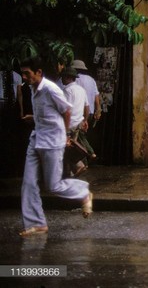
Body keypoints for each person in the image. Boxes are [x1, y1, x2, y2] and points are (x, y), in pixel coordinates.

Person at [19, 57, 92, 237]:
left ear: (39, 73)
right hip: (36, 139)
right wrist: (34, 118)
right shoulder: (31, 88)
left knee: (54, 186)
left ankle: (83, 191)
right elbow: (47, 114)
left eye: (27, 73)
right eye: (23, 73)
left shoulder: (51, 89)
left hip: (53, 142)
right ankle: (37, 223)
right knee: (28, 183)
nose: (24, 77)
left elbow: (66, 111)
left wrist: (66, 135)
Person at [61, 67, 92, 177]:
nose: (61, 79)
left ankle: (79, 165)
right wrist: (85, 120)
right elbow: (87, 107)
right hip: (78, 123)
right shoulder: (81, 90)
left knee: (65, 149)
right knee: (73, 147)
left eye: (63, 77)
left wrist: (64, 128)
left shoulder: (67, 91)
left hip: (69, 124)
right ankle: (69, 173)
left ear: (68, 78)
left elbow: (66, 110)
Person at [71, 60, 101, 124]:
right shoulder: (91, 79)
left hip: (78, 113)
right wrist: (98, 110)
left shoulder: (73, 79)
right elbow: (96, 97)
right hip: (90, 112)